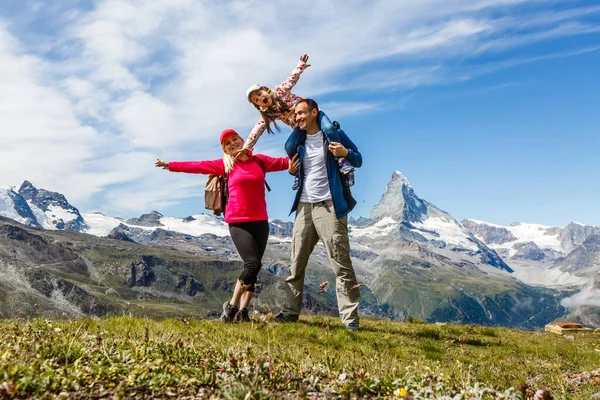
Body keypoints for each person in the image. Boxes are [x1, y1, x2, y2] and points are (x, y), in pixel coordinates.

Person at [156, 129, 299, 322]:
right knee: (252, 264)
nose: (232, 144)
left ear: (243, 140)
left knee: (254, 268)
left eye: (235, 139)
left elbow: (285, 162)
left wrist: (301, 152)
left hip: (261, 221)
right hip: (238, 222)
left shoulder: (259, 161)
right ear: (224, 149)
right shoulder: (224, 165)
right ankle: (231, 306)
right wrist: (170, 165)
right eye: (227, 143)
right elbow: (196, 166)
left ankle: (243, 312)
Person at [275, 98, 363, 331]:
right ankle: (289, 313)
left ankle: (350, 320)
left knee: (341, 263)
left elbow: (358, 158)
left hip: (330, 206)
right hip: (304, 206)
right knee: (296, 263)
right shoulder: (299, 142)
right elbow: (296, 168)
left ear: (315, 112)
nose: (299, 118)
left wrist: (345, 152)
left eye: (303, 113)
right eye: (296, 115)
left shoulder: (333, 135)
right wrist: (292, 169)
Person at [239, 54, 354, 190]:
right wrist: (246, 148)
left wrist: (300, 66)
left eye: (259, 94)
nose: (259, 98)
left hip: (313, 115)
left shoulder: (280, 91)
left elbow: (291, 80)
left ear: (265, 90)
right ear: (259, 106)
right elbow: (256, 130)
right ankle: (299, 172)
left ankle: (342, 160)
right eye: (256, 100)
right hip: (301, 126)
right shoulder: (269, 114)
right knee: (289, 146)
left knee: (329, 129)